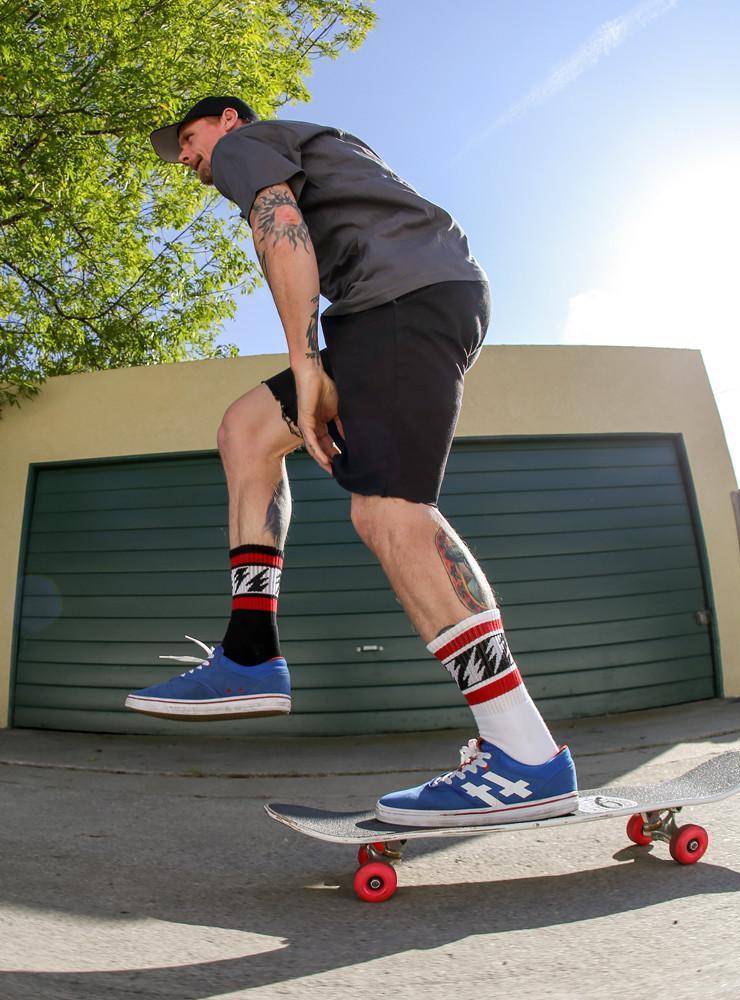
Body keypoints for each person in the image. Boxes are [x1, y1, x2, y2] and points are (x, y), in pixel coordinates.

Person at [127, 96, 578, 827]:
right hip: (399, 303)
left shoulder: (253, 145)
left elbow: (280, 227)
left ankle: (525, 755)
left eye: (188, 138)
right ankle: (249, 649)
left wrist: (306, 365)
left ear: (229, 121)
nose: (185, 157)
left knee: (390, 513)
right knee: (247, 430)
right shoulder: (318, 149)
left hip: (400, 303)